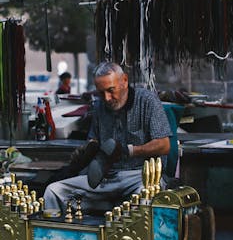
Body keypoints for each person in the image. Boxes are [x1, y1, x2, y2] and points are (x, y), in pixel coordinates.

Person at [44, 61, 172, 215]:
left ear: (124, 81)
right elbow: (94, 141)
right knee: (53, 191)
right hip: (107, 178)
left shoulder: (147, 101)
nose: (107, 98)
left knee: (143, 200)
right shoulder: (99, 106)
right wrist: (86, 154)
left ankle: (128, 239)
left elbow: (164, 145)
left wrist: (128, 151)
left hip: (139, 176)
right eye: (101, 92)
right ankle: (57, 237)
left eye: (111, 90)